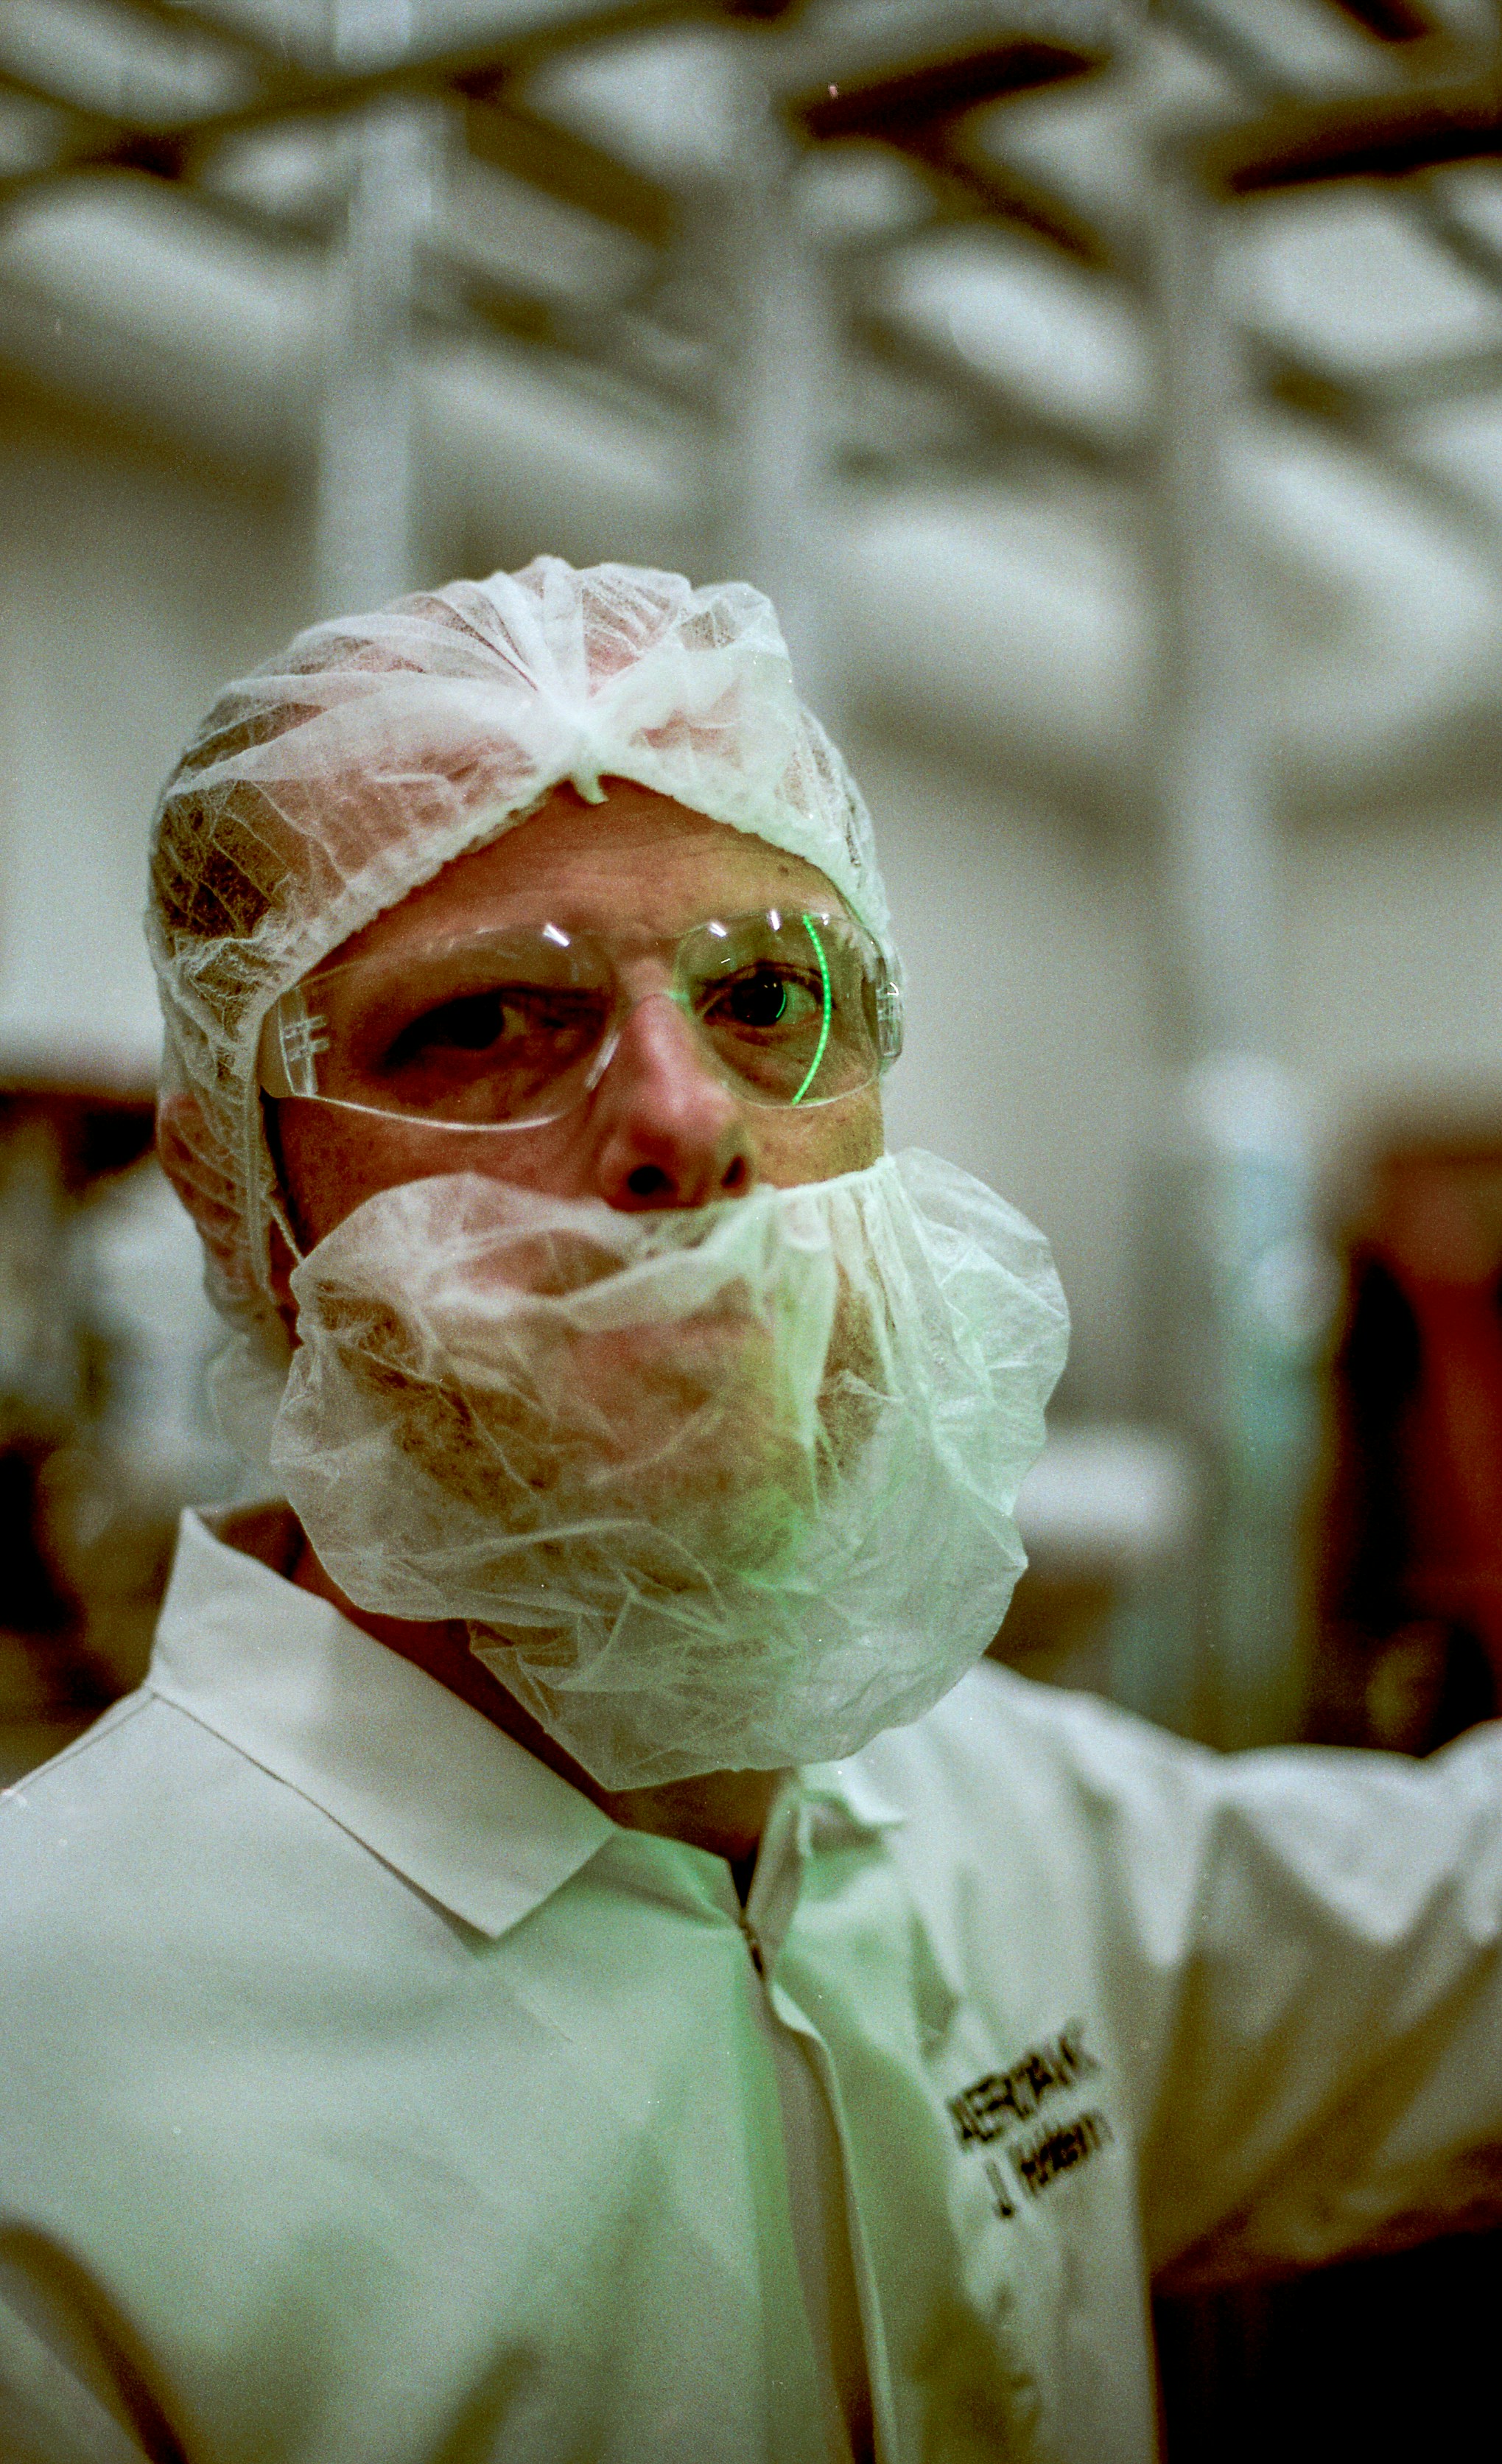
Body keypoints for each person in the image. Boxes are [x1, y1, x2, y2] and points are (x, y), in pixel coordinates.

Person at [2, 558, 1501, 2464]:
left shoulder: (991, 1810)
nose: (686, 1115)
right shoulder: (51, 2078)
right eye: (483, 1022)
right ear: (242, 1199)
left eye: (769, 995)